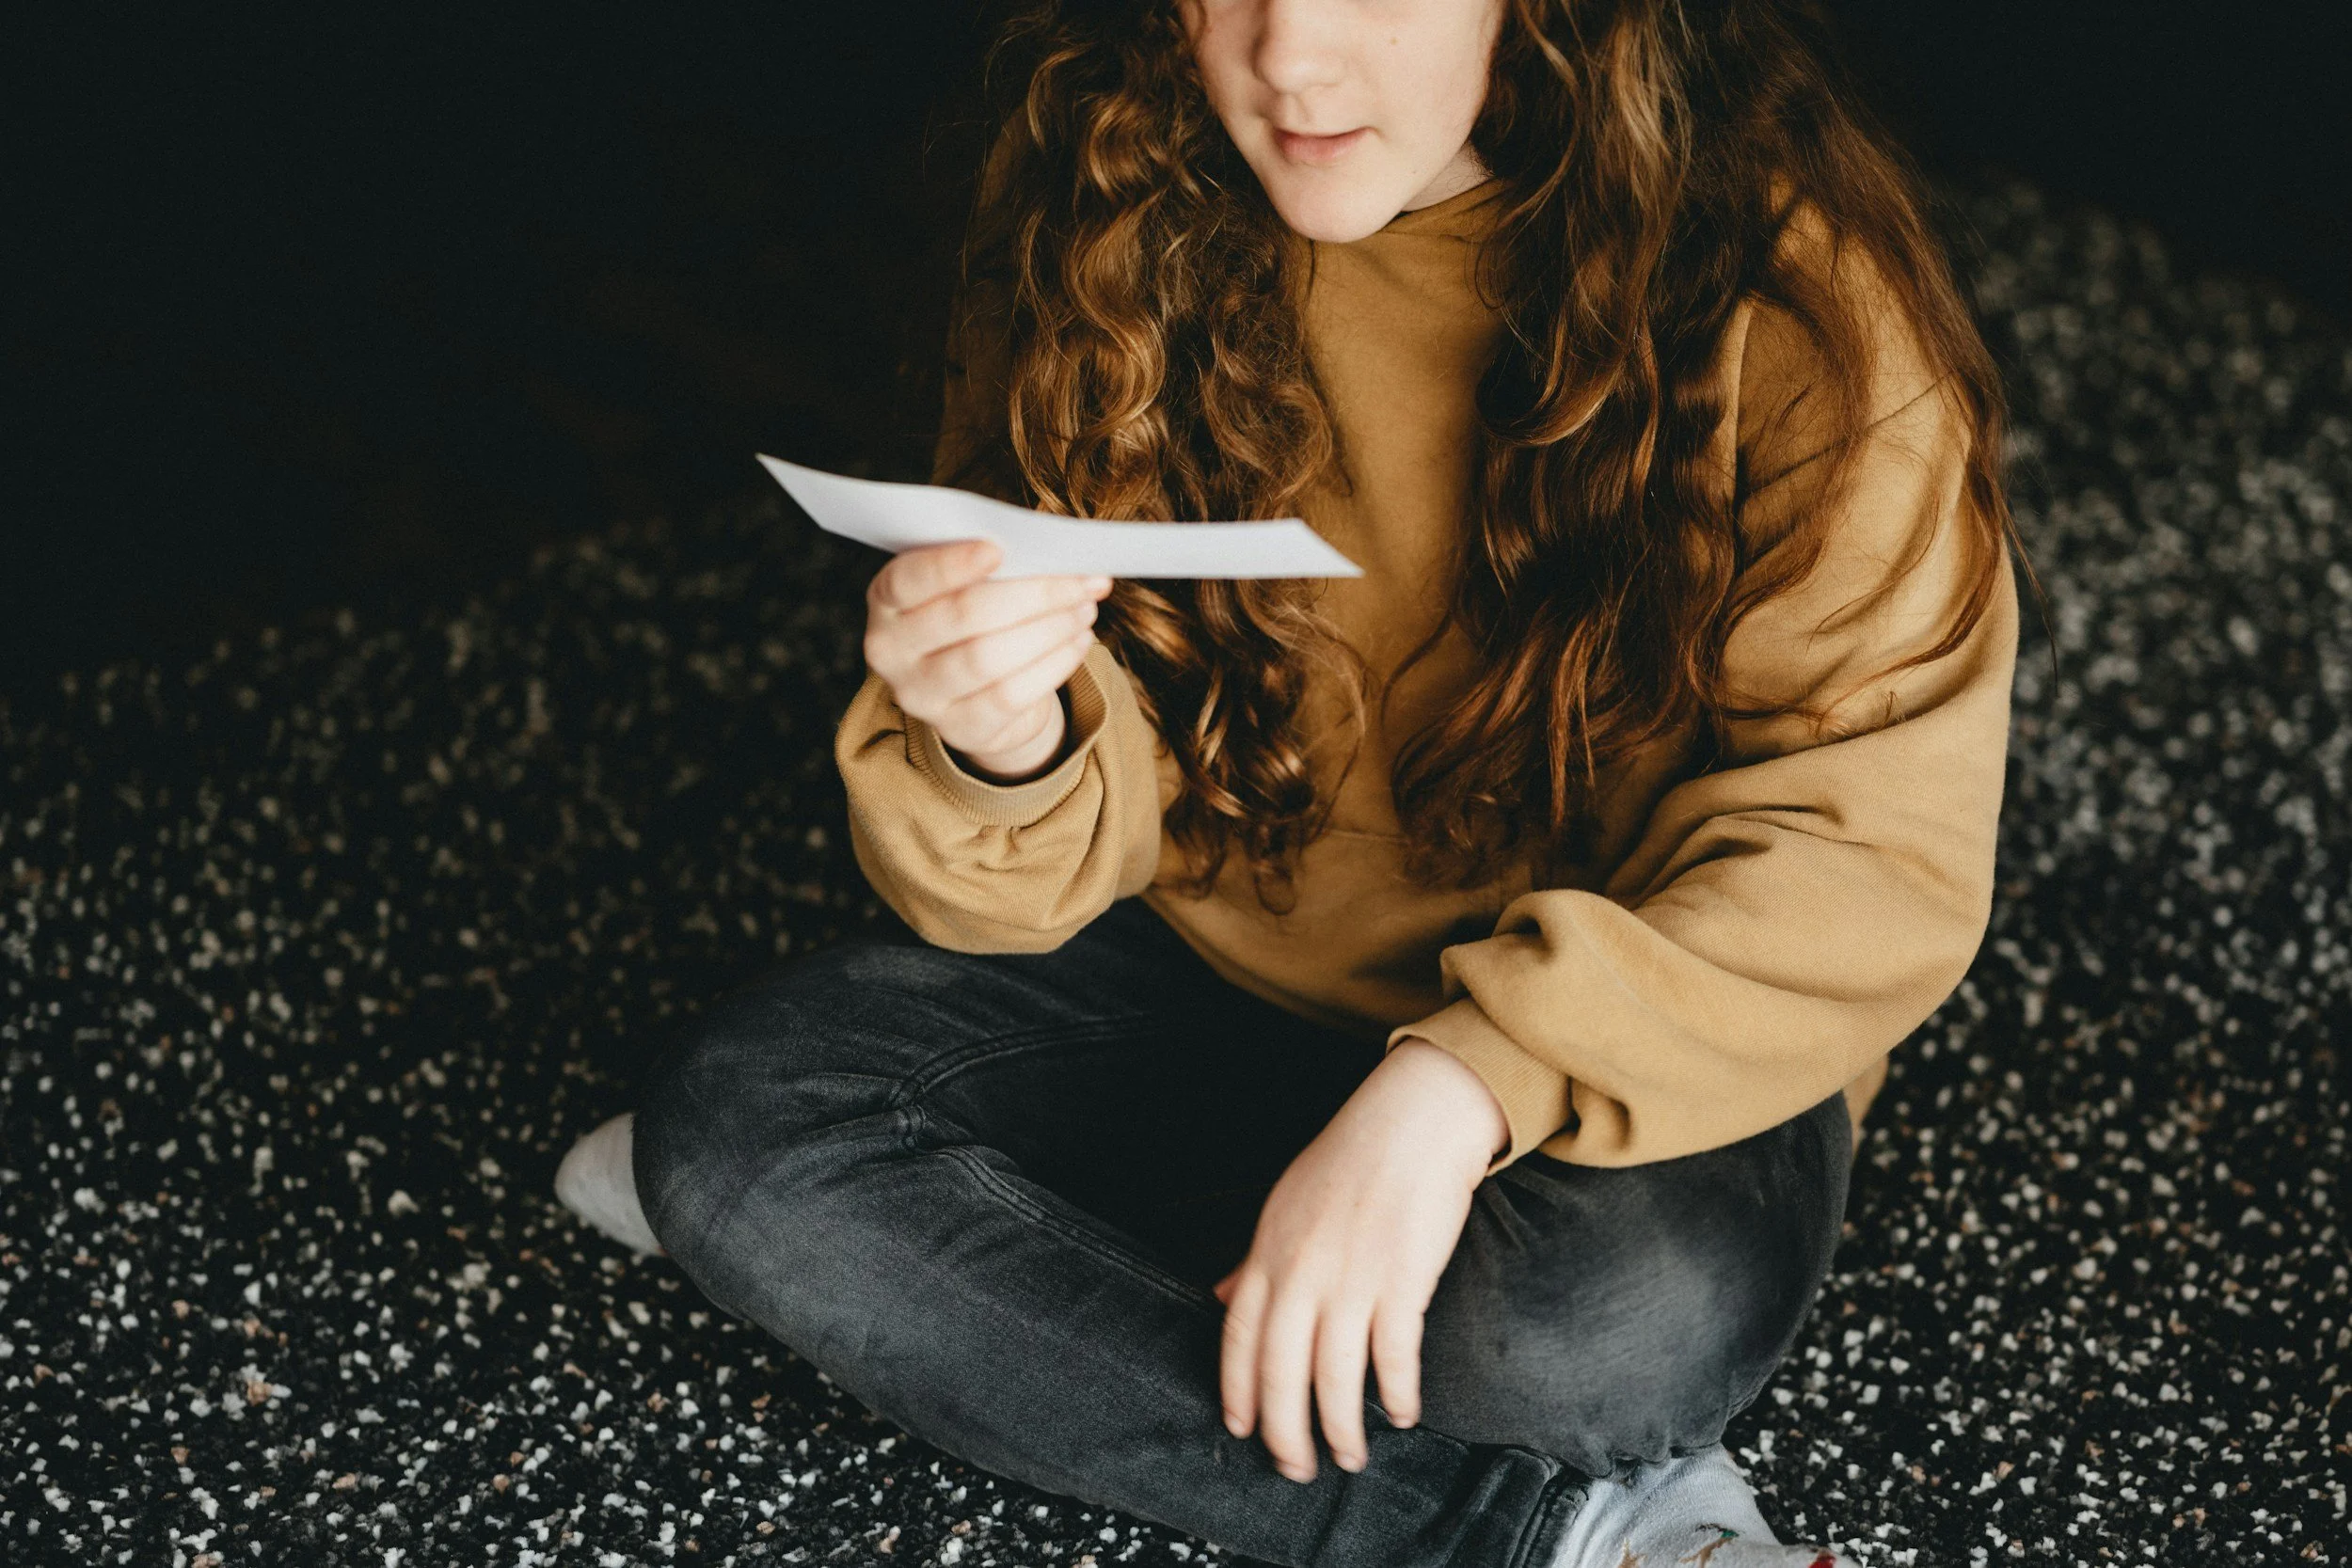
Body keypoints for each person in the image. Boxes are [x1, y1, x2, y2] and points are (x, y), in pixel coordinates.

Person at [557, 1, 2019, 1563]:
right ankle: (1547, 1530)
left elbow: (1868, 854)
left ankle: (1032, 1268)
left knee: (1585, 1334)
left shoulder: (1791, 301)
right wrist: (1011, 736)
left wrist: (1456, 1090)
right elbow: (1051, 846)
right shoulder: (1106, 193)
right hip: (1214, 968)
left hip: (1637, 1043)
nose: (1290, 60)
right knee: (736, 1135)